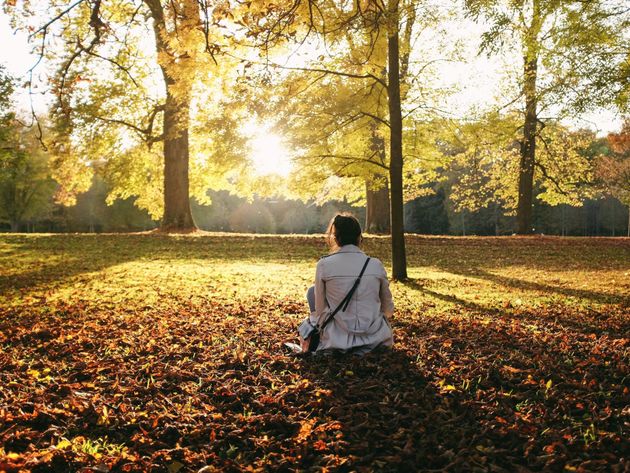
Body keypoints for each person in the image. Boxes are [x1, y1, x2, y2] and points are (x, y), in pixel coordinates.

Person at [299, 213, 394, 354]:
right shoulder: (375, 265)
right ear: (359, 237)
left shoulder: (324, 264)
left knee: (312, 292)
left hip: (336, 340)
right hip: (376, 339)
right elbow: (388, 310)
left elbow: (320, 311)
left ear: (336, 239)